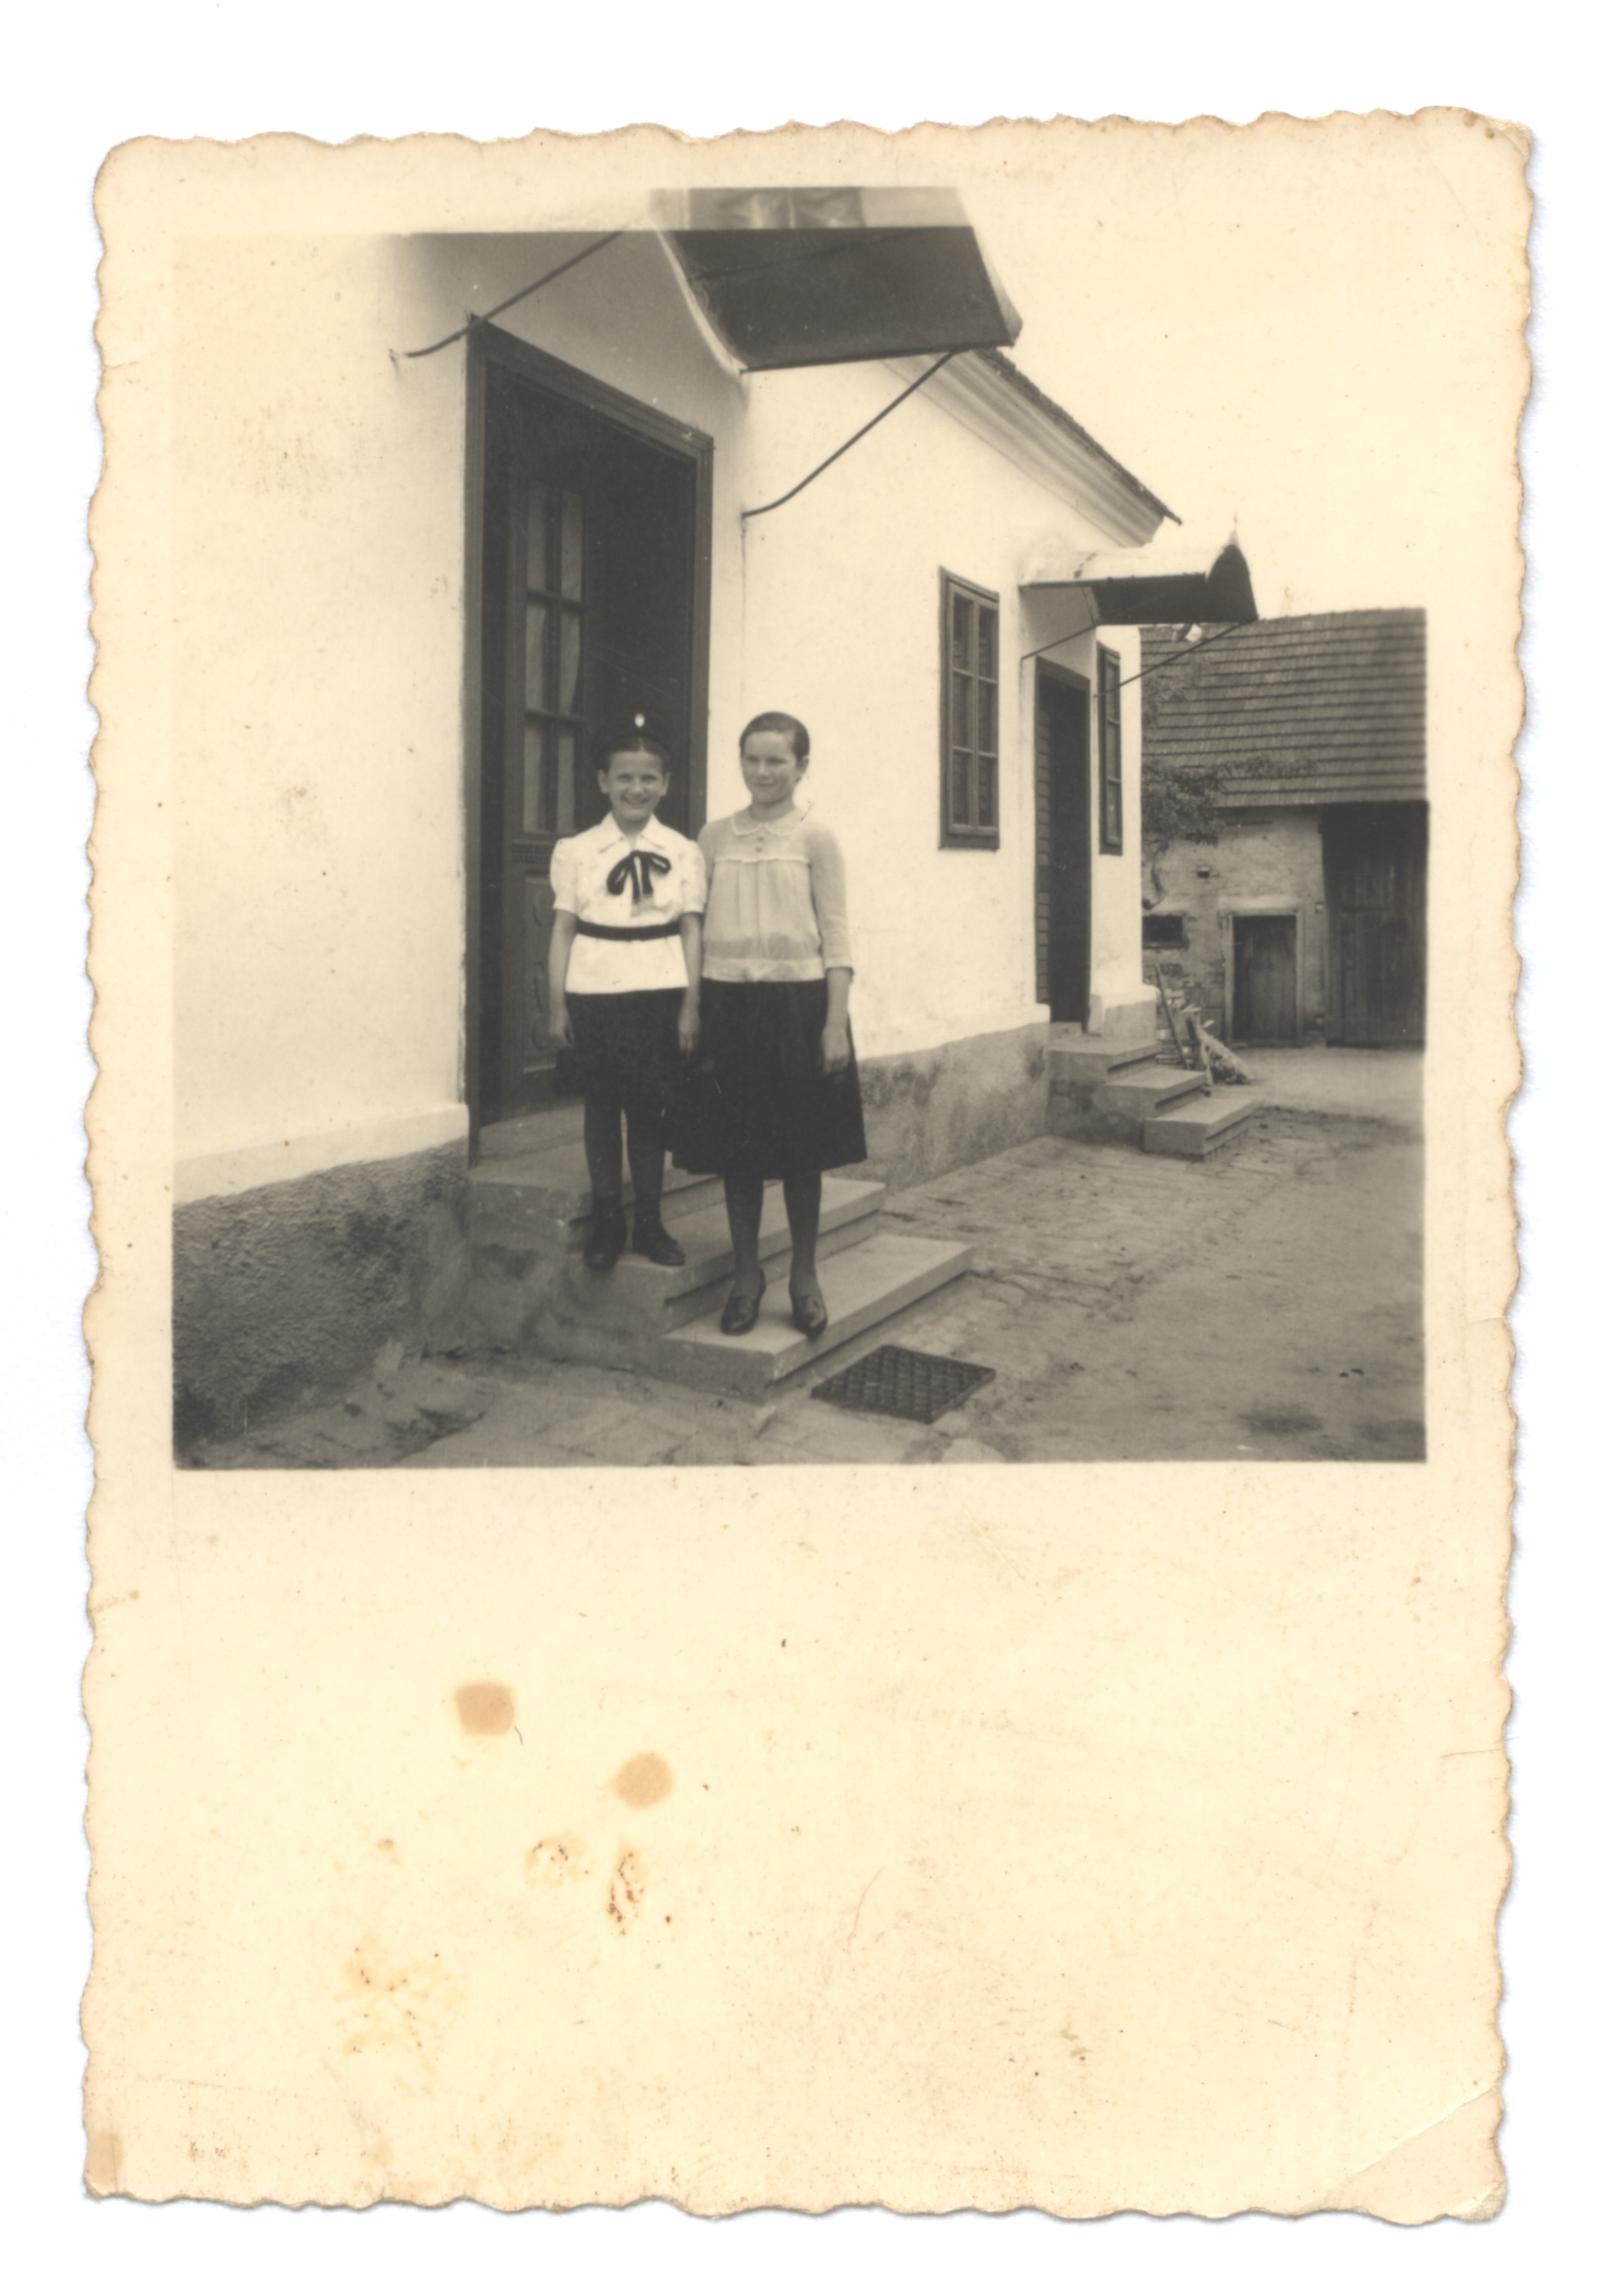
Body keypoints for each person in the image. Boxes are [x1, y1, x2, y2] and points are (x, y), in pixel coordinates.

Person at [676, 710, 866, 1338]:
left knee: (801, 1151)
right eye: (752, 760)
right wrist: (692, 1005)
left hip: (799, 1008)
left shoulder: (817, 839)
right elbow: (693, 931)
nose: (762, 772)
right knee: (740, 1152)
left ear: (800, 767)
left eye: (776, 761)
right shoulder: (712, 838)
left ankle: (804, 1277)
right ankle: (745, 1276)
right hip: (728, 1007)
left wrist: (833, 1023)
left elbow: (836, 935)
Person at [547, 722, 705, 1270]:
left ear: (665, 785)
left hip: (659, 992)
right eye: (624, 778)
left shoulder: (682, 851)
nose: (636, 789)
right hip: (594, 991)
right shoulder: (577, 851)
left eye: (648, 779)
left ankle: (649, 1223)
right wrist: (558, 1004)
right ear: (603, 782)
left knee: (649, 1109)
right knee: (601, 1106)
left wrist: (690, 1005)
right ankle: (608, 1221)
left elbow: (691, 930)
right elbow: (563, 929)